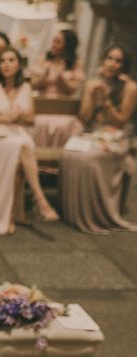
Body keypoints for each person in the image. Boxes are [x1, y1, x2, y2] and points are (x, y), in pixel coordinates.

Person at [0, 48, 58, 235]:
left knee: (21, 150)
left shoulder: (25, 88)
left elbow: (31, 119)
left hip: (16, 132)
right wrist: (4, 118)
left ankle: (11, 214)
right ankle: (40, 199)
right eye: (3, 60)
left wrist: (17, 117)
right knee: (21, 146)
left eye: (11, 60)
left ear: (18, 64)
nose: (7, 64)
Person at [61, 46, 137, 233]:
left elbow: (121, 120)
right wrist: (91, 95)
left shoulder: (130, 87)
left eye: (118, 61)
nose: (112, 64)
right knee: (69, 153)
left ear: (124, 65)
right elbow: (84, 118)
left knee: (89, 158)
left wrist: (106, 100)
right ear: (103, 60)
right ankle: (74, 212)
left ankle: (96, 213)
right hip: (93, 132)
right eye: (109, 58)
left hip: (117, 136)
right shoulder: (92, 83)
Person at [31, 29, 86, 148]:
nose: (53, 45)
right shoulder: (43, 58)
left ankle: (56, 160)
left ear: (67, 45)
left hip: (63, 106)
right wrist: (43, 78)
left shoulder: (76, 62)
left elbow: (72, 90)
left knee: (62, 126)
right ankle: (39, 156)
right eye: (54, 41)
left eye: (58, 42)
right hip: (43, 104)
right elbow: (33, 85)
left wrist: (61, 79)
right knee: (41, 123)